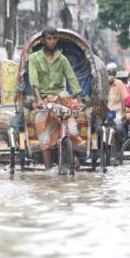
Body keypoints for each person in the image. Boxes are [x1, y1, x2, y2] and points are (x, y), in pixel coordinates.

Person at [28, 26, 82, 170]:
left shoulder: (62, 58)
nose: (52, 41)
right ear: (43, 40)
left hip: (60, 98)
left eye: (54, 38)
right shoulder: (34, 59)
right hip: (44, 100)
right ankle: (47, 170)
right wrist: (38, 99)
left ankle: (70, 152)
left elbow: (72, 79)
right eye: (49, 38)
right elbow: (34, 82)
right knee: (43, 135)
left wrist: (79, 100)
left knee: (72, 129)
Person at [106, 63, 128, 138]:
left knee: (119, 128)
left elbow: (123, 100)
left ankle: (121, 144)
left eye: (113, 73)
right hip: (106, 114)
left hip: (117, 114)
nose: (111, 75)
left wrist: (123, 113)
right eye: (109, 73)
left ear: (115, 74)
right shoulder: (103, 84)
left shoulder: (120, 83)